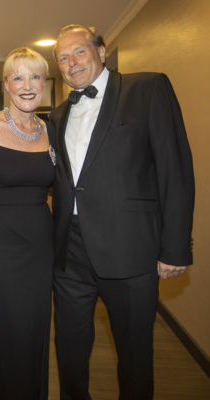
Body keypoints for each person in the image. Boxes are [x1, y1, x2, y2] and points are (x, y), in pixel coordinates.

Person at [50, 24, 195, 400]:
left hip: (130, 248)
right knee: (69, 351)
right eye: (63, 58)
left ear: (101, 51)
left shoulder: (147, 88)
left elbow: (175, 169)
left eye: (79, 52)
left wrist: (175, 247)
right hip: (70, 253)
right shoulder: (58, 113)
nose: (71, 62)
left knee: (134, 355)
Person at [0, 47, 55, 400]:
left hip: (41, 247)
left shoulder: (52, 129)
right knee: (9, 334)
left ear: (45, 83)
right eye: (18, 77)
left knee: (36, 332)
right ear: (6, 84)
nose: (27, 86)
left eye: (35, 77)